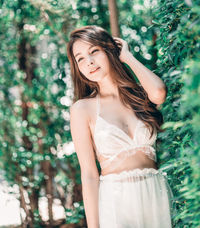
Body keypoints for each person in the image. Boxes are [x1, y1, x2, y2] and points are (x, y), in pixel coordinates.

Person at [67, 25, 175, 228]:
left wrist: (127, 57)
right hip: (116, 201)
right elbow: (89, 174)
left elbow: (159, 92)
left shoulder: (139, 97)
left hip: (155, 195)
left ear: (109, 50)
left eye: (94, 51)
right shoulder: (82, 109)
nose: (89, 62)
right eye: (80, 58)